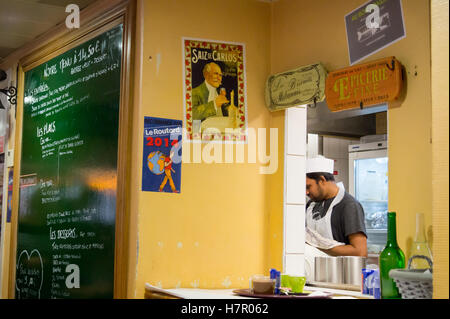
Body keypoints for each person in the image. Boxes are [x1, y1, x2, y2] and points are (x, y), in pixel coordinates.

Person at [305, 156, 367, 257]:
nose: (306, 192)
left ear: (322, 180)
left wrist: (317, 244)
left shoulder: (348, 206)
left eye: (308, 186)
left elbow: (360, 252)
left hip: (339, 271)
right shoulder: (312, 205)